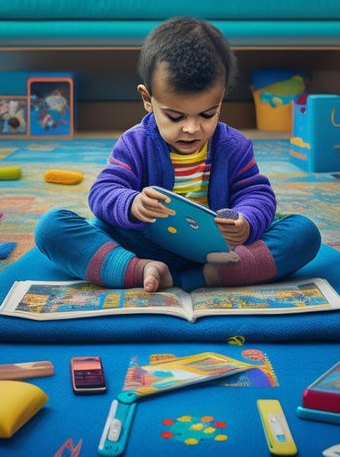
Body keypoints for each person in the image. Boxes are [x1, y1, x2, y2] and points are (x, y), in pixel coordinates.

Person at [35, 16, 321, 293]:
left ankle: (207, 275)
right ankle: (139, 269)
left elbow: (256, 193)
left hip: (218, 253)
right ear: (148, 99)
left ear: (221, 97)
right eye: (175, 116)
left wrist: (245, 223)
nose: (192, 128)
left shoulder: (234, 146)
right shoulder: (135, 143)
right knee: (51, 228)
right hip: (140, 246)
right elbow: (102, 192)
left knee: (304, 232)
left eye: (208, 114)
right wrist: (132, 204)